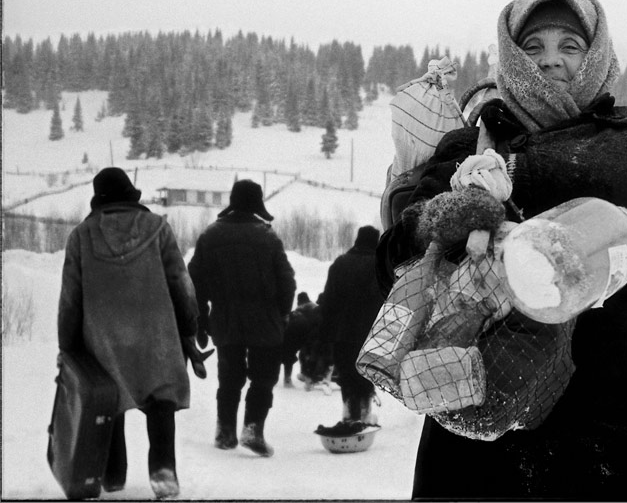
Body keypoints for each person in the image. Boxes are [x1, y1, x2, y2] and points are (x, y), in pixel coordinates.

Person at [376, 0, 627, 500]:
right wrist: (442, 218)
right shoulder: (469, 145)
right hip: (483, 445)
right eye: (533, 46)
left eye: (570, 45)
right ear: (511, 56)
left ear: (595, 53)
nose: (551, 60)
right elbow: (394, 261)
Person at [57, 167, 207, 499]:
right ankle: (164, 473)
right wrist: (188, 326)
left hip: (104, 340)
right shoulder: (157, 228)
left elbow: (70, 299)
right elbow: (182, 284)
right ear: (131, 193)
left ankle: (113, 478)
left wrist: (67, 347)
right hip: (157, 338)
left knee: (110, 403)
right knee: (161, 404)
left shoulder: (81, 236)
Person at [189, 179, 296, 457]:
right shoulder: (267, 237)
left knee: (229, 378)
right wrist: (283, 314)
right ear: (257, 204)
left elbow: (194, 283)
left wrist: (200, 321)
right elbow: (287, 282)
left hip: (225, 319)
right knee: (263, 378)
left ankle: (225, 431)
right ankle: (252, 430)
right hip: (265, 321)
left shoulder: (210, 236)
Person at [320, 225, 385, 425]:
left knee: (347, 374)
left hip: (342, 332)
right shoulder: (379, 265)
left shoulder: (340, 263)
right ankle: (364, 415)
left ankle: (349, 413)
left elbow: (328, 300)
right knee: (365, 373)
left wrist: (325, 333)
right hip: (369, 334)